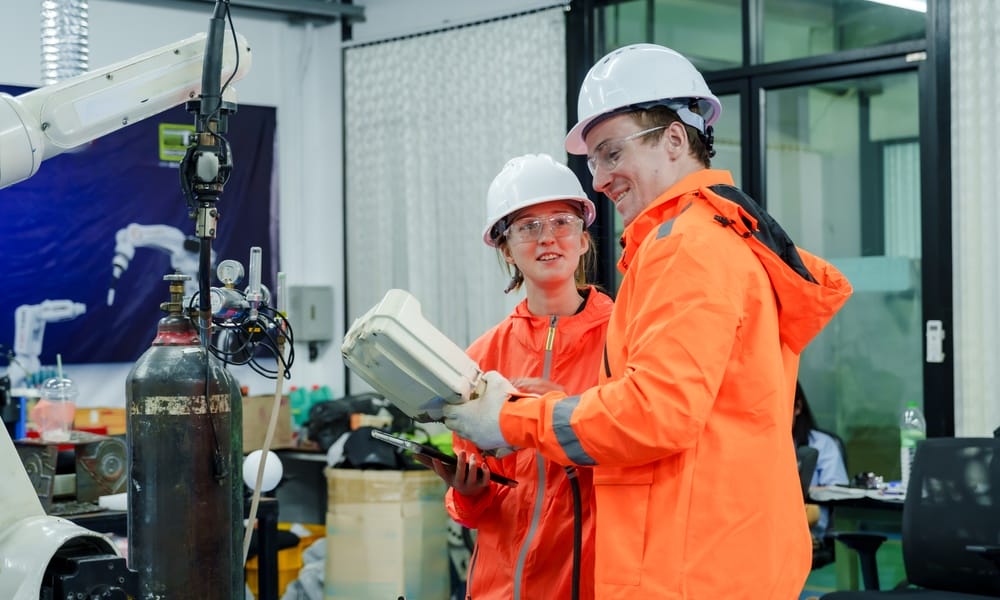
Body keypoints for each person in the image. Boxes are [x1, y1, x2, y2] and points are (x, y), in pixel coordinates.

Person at [441, 44, 853, 598]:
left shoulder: (685, 247)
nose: (601, 178)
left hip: (690, 567)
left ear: (676, 139)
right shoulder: (712, 238)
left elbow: (657, 412)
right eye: (593, 162)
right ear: (504, 247)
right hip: (714, 556)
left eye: (611, 154)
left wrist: (515, 418)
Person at [418, 153, 613, 600]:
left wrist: (566, 416)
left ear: (584, 238)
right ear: (505, 248)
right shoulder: (481, 356)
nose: (548, 238)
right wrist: (469, 492)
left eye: (562, 222)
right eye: (527, 227)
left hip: (592, 579)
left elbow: (645, 459)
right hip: (501, 586)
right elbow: (475, 510)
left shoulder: (625, 339)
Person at [793, 380, 849, 540]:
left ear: (797, 407)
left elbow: (838, 491)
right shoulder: (760, 444)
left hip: (812, 524)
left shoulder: (822, 444)